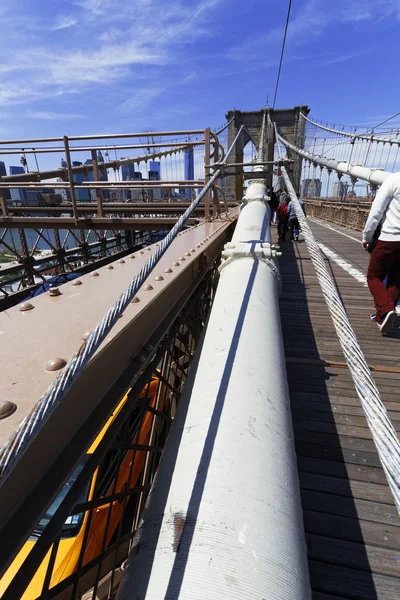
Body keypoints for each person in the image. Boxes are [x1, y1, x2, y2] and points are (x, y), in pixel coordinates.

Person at [362, 172, 400, 334]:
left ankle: (386, 309)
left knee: (373, 276)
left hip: (390, 239)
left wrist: (367, 237)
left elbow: (376, 211)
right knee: (396, 281)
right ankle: (381, 317)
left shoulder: (393, 179)